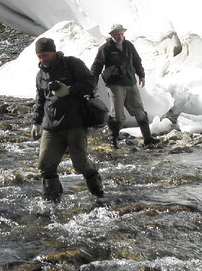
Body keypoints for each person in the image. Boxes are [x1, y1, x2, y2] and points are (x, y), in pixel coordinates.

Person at [31, 36, 104, 202]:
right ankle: (52, 202)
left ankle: (96, 185)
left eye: (45, 55)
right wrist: (36, 122)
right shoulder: (40, 75)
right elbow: (40, 100)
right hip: (51, 127)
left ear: (54, 52)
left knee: (80, 164)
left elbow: (90, 82)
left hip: (75, 123)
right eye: (39, 57)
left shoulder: (71, 64)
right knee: (45, 165)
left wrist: (70, 90)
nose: (42, 60)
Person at [91, 23, 158, 148]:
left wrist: (141, 75)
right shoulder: (105, 48)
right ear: (111, 35)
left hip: (130, 82)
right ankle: (113, 140)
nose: (120, 36)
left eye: (121, 34)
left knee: (140, 111)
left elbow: (137, 61)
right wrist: (93, 83)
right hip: (115, 85)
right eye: (117, 34)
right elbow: (96, 67)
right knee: (117, 114)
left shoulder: (129, 46)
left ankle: (148, 138)